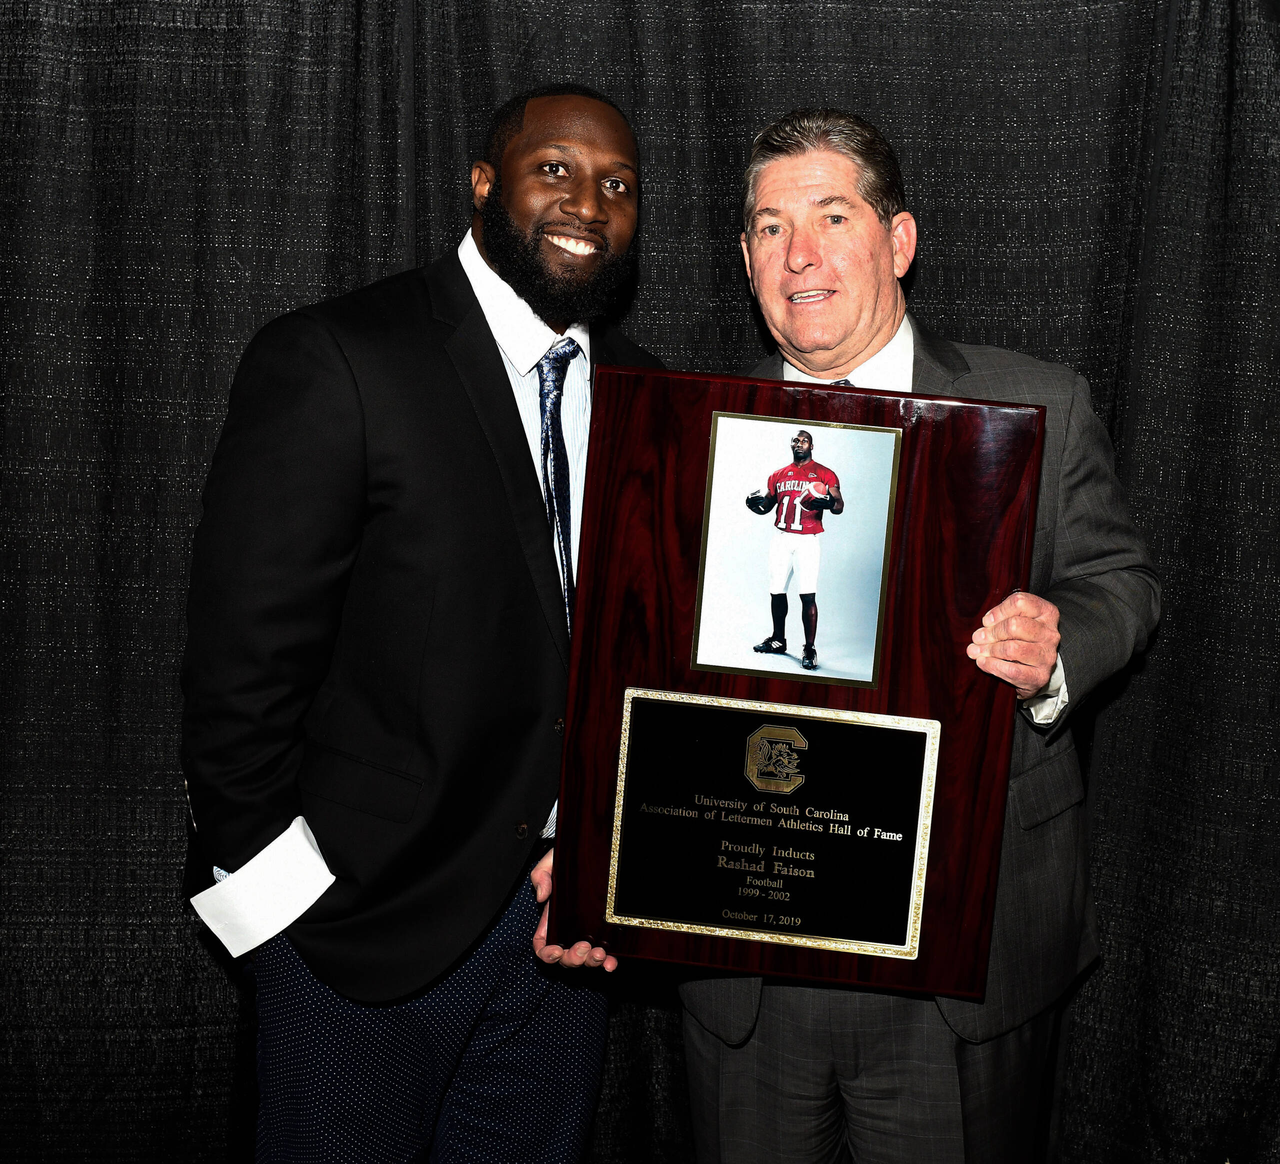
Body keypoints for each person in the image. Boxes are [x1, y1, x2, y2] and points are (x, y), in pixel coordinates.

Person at [181, 84, 661, 1162]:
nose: (586, 202)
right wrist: (283, 921)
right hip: (359, 944)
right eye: (554, 170)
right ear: (484, 184)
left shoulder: (646, 392)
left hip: (558, 940)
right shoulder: (340, 358)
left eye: (617, 185)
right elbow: (236, 669)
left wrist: (608, 866)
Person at [679, 108, 1161, 1163]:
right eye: (766, 228)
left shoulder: (1034, 404)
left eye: (829, 215)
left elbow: (1120, 581)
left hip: (961, 954)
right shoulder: (687, 433)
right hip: (750, 958)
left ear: (897, 241)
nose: (796, 255)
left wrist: (1059, 637)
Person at [745, 428, 844, 669]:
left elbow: (839, 505)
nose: (800, 444)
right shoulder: (778, 474)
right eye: (796, 441)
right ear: (791, 445)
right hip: (781, 538)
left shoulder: (824, 474)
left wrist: (830, 502)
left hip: (807, 539)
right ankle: (779, 640)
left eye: (805, 441)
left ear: (812, 446)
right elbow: (767, 506)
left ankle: (809, 649)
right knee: (776, 591)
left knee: (807, 594)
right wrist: (753, 504)